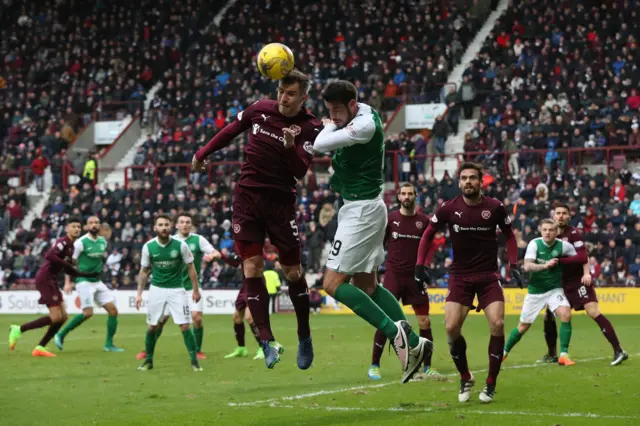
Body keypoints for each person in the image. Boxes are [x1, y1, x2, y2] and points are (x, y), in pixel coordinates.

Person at [192, 69, 320, 370]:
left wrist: (290, 147)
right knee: (251, 266)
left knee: (292, 272)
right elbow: (230, 131)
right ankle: (267, 340)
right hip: (247, 199)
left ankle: (304, 334)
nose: (283, 98)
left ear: (304, 97)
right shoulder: (259, 109)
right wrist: (203, 152)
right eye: (280, 91)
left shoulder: (310, 127)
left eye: (290, 94)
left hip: (280, 204)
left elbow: (300, 171)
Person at [313, 80, 431, 384]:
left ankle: (397, 334)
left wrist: (326, 128)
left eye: (337, 111)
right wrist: (327, 125)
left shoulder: (365, 124)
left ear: (353, 104)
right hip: (362, 208)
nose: (333, 116)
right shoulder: (357, 114)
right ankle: (415, 345)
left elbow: (321, 144)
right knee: (367, 286)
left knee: (332, 283)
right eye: (329, 111)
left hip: (362, 212)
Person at [415, 162, 523, 403]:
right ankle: (465, 377)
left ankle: (491, 383)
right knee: (451, 329)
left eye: (473, 178)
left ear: (481, 181)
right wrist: (420, 265)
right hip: (460, 276)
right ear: (458, 182)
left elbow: (510, 236)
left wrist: (514, 264)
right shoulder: (448, 208)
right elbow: (428, 234)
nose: (468, 182)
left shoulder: (495, 207)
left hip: (488, 276)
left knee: (497, 323)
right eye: (463, 178)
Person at [538, 205, 628, 366]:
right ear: (553, 215)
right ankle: (552, 354)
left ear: (568, 216)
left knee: (593, 312)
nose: (560, 216)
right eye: (558, 213)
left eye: (564, 213)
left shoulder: (573, 233)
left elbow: (582, 257)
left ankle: (618, 350)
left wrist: (585, 272)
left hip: (577, 281)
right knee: (548, 315)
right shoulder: (549, 234)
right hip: (560, 283)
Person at [368, 183, 439, 381]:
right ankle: (374, 365)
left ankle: (427, 367)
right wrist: (373, 267)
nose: (407, 196)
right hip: (394, 276)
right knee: (385, 321)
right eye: (403, 194)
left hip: (415, 277)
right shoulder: (390, 219)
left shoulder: (424, 222)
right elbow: (378, 244)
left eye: (410, 193)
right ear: (399, 197)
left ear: (416, 196)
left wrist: (424, 266)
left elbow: (430, 247)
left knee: (425, 321)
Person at [9, 217, 99, 357]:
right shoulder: (62, 242)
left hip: (52, 280)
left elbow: (68, 269)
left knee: (63, 317)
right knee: (56, 317)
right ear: (67, 228)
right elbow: (49, 255)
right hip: (45, 279)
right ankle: (19, 329)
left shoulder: (71, 246)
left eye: (79, 227)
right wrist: (68, 265)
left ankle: (40, 347)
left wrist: (85, 274)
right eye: (74, 226)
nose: (76, 229)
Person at [502, 219, 577, 366]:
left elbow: (580, 258)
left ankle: (563, 355)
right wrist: (546, 266)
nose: (547, 233)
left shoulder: (564, 246)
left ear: (556, 232)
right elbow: (528, 266)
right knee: (523, 326)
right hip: (536, 291)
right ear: (541, 231)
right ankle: (503, 353)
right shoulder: (535, 244)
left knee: (566, 314)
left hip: (555, 289)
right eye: (545, 230)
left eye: (551, 230)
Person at [135, 215, 202, 372]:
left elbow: (191, 267)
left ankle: (194, 362)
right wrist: (139, 294)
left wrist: (195, 289)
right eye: (160, 225)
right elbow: (144, 271)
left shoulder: (181, 245)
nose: (164, 227)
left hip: (177, 290)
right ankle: (148, 361)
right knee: (152, 327)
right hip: (157, 290)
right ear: (155, 228)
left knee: (185, 326)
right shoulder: (148, 247)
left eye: (166, 224)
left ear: (171, 227)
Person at [54, 217, 123, 352]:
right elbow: (69, 262)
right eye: (91, 223)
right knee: (87, 313)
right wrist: (68, 282)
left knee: (113, 311)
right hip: (84, 281)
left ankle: (108, 345)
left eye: (96, 222)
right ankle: (60, 334)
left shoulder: (102, 242)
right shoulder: (81, 243)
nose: (94, 225)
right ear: (86, 226)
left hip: (97, 281)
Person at [225, 252, 265, 360]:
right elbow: (232, 261)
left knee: (249, 317)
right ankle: (241, 348)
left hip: (256, 286)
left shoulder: (256, 249)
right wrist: (221, 255)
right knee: (237, 318)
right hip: (245, 288)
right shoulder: (242, 250)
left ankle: (264, 348)